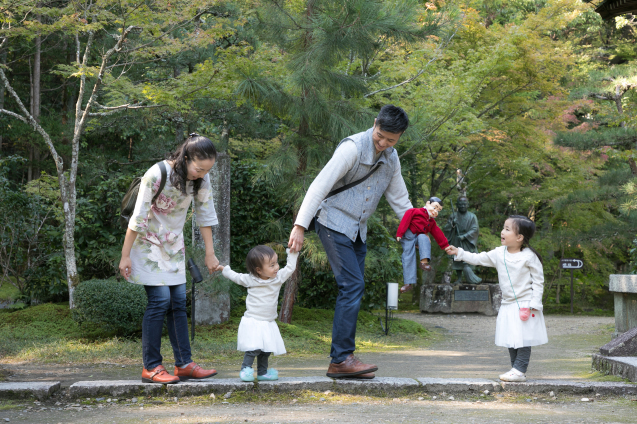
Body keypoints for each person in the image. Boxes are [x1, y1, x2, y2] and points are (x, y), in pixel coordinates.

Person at [288, 105, 413, 378]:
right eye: (380, 136)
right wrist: (300, 225)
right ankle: (341, 358)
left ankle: (342, 360)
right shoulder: (352, 148)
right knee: (352, 284)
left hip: (358, 230)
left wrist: (421, 226)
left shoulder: (392, 160)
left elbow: (401, 202)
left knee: (353, 287)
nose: (382, 143)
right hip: (331, 221)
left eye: (390, 140)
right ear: (374, 123)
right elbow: (319, 185)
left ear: (400, 137)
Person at [119, 134, 220, 384]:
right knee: (160, 300)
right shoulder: (156, 174)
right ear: (185, 158)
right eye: (199, 168)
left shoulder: (201, 180)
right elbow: (138, 217)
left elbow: (205, 216)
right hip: (146, 243)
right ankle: (151, 366)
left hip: (174, 246)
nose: (202, 173)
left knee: (177, 302)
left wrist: (210, 252)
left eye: (207, 169)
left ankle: (184, 364)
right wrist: (125, 256)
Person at [445, 215, 548, 382]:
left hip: (525, 303)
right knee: (511, 337)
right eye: (503, 228)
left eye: (507, 229)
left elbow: (538, 280)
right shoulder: (499, 253)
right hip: (507, 304)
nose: (502, 232)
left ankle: (519, 369)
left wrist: (535, 303)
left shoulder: (529, 256)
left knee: (522, 338)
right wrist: (459, 252)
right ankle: (515, 368)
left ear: (520, 237)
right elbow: (478, 258)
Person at [216, 246, 299, 382]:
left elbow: (289, 268)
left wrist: (292, 253)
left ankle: (262, 372)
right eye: (272, 265)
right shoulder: (251, 279)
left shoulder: (277, 279)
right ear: (259, 270)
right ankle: (245, 370)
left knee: (266, 350)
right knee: (253, 349)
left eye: (276, 263)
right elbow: (236, 277)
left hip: (268, 322)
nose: (277, 267)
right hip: (253, 321)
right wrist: (224, 269)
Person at [396, 196, 449, 294]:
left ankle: (424, 262)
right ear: (428, 203)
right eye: (435, 207)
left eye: (439, 210)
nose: (436, 211)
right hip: (408, 237)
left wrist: (445, 245)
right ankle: (408, 283)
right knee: (408, 257)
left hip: (417, 238)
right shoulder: (415, 211)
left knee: (424, 238)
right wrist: (400, 233)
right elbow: (405, 220)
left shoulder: (431, 222)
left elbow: (438, 233)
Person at [444, 195, 481, 284]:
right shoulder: (453, 216)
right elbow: (446, 228)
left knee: (470, 257)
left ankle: (471, 276)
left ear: (468, 205)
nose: (462, 206)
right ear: (457, 205)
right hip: (457, 239)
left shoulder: (472, 216)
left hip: (468, 240)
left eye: (464, 204)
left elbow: (475, 229)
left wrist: (465, 236)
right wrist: (452, 223)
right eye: (460, 204)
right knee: (457, 258)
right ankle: (459, 278)